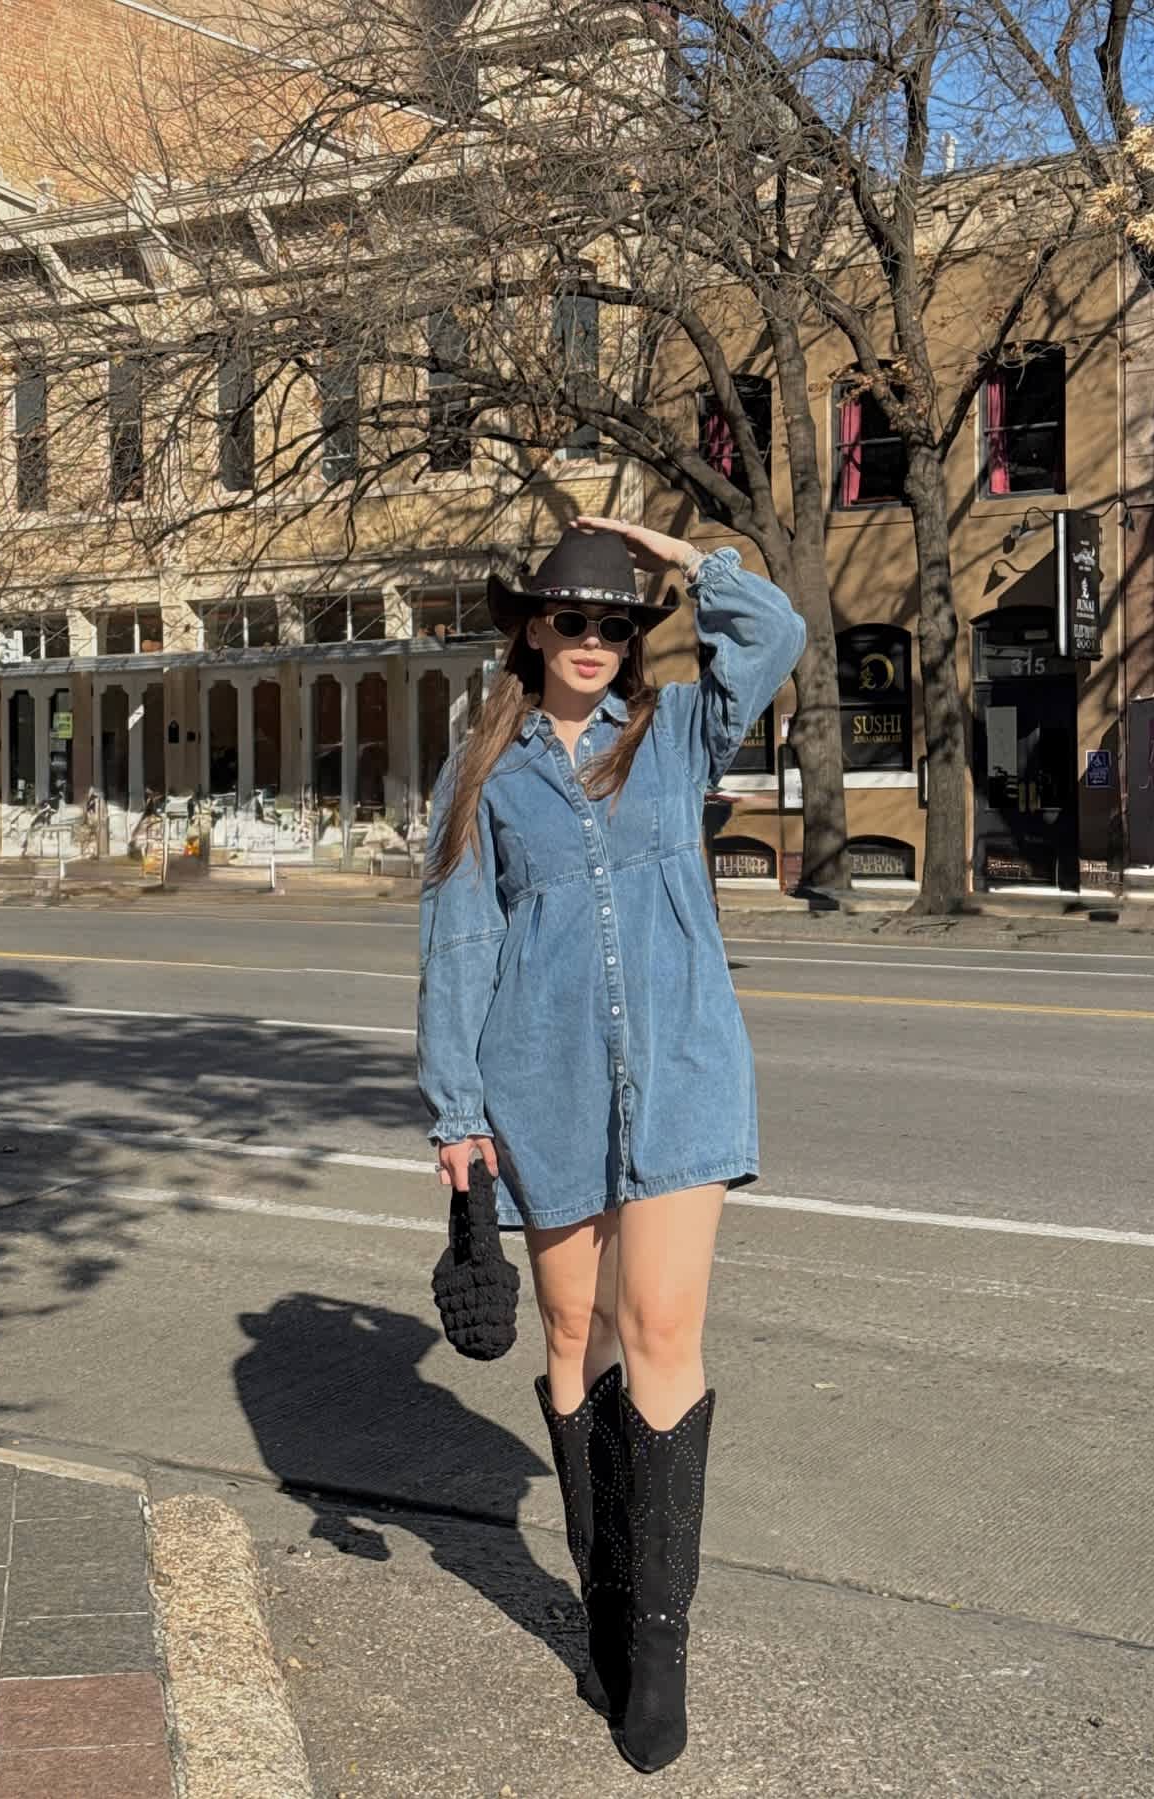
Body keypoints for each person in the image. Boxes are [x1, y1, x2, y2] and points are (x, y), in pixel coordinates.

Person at [416, 516, 806, 1773]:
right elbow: (459, 948)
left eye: (616, 623)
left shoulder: (679, 731)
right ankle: (602, 1602)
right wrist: (457, 1114)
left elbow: (777, 631)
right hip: (546, 1083)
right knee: (573, 1335)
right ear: (531, 627)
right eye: (573, 618)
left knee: (662, 1332)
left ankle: (661, 1649)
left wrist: (681, 555)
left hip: (684, 1076)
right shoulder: (481, 775)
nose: (595, 640)